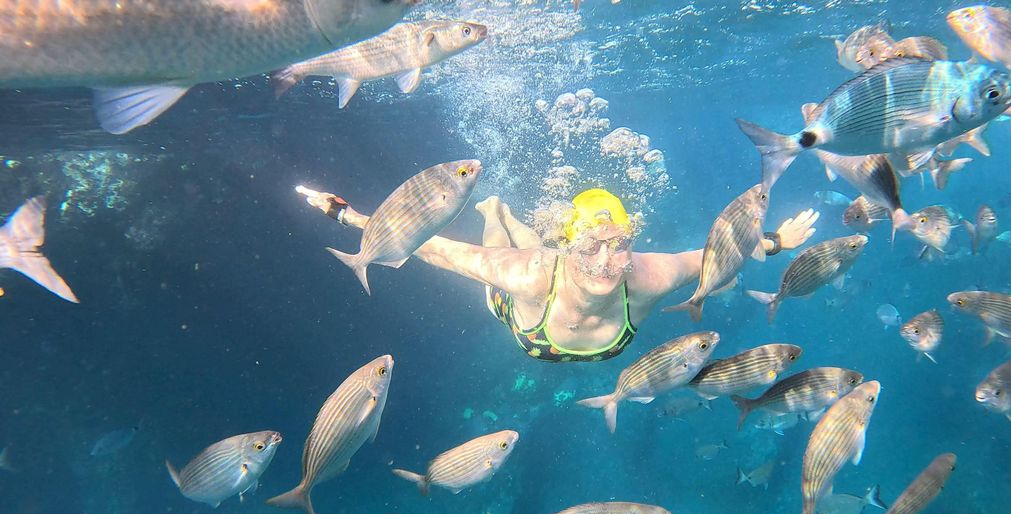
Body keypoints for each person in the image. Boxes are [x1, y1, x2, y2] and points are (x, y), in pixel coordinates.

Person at [300, 186, 818, 362]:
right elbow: (439, 250)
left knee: (539, 251)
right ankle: (494, 211)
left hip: (549, 270)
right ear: (573, 244)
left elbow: (715, 255)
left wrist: (776, 242)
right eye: (591, 245)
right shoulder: (530, 276)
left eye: (619, 245)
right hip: (520, 308)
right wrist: (347, 216)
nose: (606, 261)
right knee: (496, 255)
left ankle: (514, 219)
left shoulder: (647, 276)